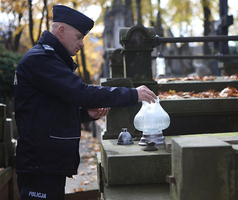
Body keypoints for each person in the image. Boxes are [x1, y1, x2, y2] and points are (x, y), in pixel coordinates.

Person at [13, 4, 157, 200]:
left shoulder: (51, 59)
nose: (81, 43)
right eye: (79, 37)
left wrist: (84, 114)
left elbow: (48, 110)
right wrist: (132, 94)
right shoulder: (41, 60)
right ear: (62, 31)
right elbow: (79, 92)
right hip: (39, 165)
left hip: (47, 163)